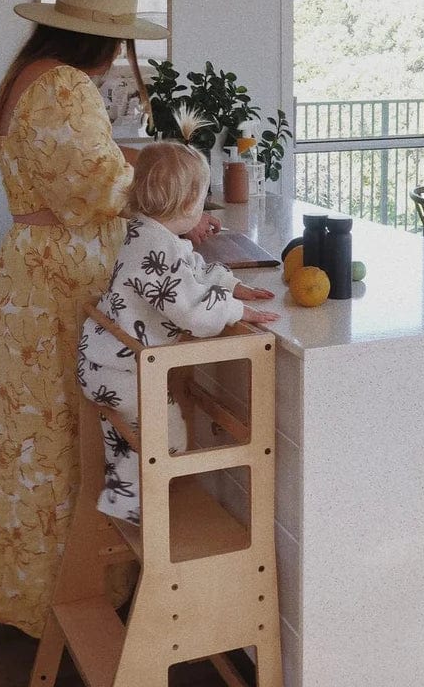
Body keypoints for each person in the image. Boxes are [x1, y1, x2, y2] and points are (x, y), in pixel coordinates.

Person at [0, 1, 177, 638]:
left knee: (26, 433)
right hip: (62, 283)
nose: (117, 55)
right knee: (61, 435)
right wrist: (172, 182)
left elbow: (75, 171)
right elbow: (98, 189)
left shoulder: (26, 75)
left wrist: (129, 163)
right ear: (96, 40)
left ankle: (26, 590)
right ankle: (65, 598)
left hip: (32, 275)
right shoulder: (63, 84)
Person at [79, 141, 279, 524]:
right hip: (123, 374)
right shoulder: (160, 248)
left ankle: (127, 505)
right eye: (203, 200)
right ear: (189, 204)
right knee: (168, 443)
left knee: (126, 439)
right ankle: (149, 520)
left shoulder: (148, 233)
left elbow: (190, 271)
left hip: (105, 365)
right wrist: (237, 309)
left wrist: (231, 285)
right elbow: (194, 313)